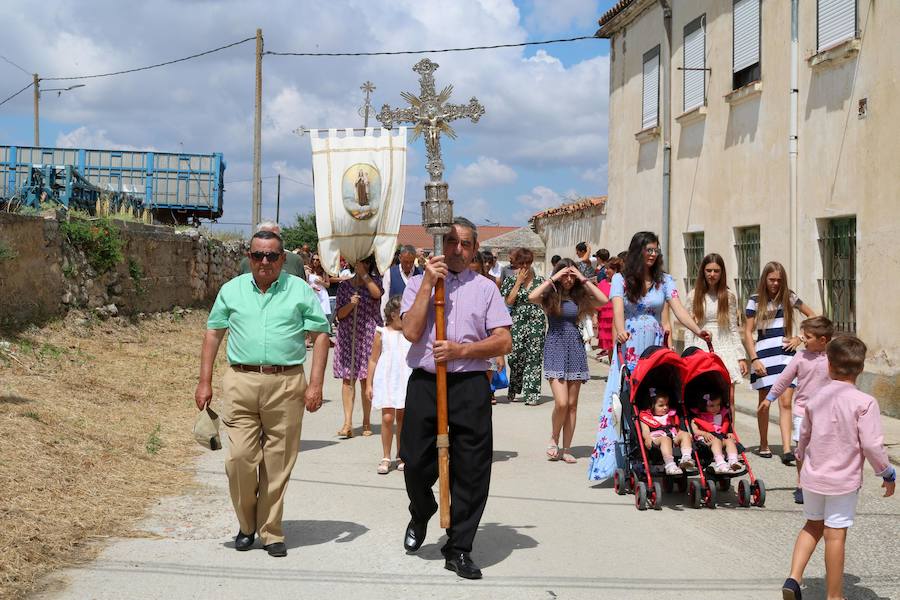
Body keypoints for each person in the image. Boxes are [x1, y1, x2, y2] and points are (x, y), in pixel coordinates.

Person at [194, 230, 331, 558]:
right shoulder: (232, 290)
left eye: (272, 255)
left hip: (286, 384)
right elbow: (213, 333)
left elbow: (321, 334)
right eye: (258, 255)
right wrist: (204, 381)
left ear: (283, 259)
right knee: (239, 459)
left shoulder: (298, 289)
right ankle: (246, 524)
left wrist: (315, 385)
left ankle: (271, 531)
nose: (264, 262)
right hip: (241, 381)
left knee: (277, 461)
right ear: (249, 258)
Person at [399, 217, 512, 580]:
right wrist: (429, 283)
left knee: (472, 469)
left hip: (469, 386)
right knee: (414, 461)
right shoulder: (417, 283)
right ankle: (422, 508)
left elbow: (503, 341)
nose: (457, 249)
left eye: (465, 244)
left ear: (475, 249)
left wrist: (463, 350)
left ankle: (459, 547)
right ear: (438, 245)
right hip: (426, 383)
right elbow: (412, 331)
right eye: (450, 242)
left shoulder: (486, 289)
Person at [588, 231, 710, 481]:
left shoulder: (665, 281)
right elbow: (618, 308)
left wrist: (699, 331)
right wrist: (620, 331)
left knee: (655, 394)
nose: (653, 255)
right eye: (649, 250)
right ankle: (622, 458)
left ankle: (658, 452)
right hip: (630, 343)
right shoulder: (621, 279)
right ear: (637, 251)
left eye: (656, 250)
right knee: (626, 396)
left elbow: (679, 310)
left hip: (655, 344)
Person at [781, 335, 895, 600]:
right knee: (835, 535)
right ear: (861, 368)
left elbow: (805, 435)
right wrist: (886, 472)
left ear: (828, 365)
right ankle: (835, 596)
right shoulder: (865, 402)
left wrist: (800, 456)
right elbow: (871, 444)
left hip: (812, 475)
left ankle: (794, 578)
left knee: (812, 526)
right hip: (842, 482)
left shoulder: (815, 397)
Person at [529, 259, 608, 463]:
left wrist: (583, 279)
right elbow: (532, 296)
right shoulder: (550, 296)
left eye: (572, 275)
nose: (569, 279)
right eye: (566, 275)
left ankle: (566, 449)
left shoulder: (580, 297)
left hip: (575, 349)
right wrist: (553, 278)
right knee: (561, 403)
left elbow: (603, 300)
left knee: (572, 404)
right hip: (555, 347)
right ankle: (553, 439)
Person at [742, 261, 816, 462]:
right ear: (765, 279)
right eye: (772, 279)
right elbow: (747, 332)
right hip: (763, 355)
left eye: (779, 280)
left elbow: (812, 315)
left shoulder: (789, 297)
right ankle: (764, 443)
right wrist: (754, 359)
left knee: (785, 401)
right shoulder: (754, 300)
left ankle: (786, 449)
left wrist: (799, 338)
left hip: (785, 354)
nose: (775, 283)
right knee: (765, 401)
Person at [765, 316, 834, 504]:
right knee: (802, 449)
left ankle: (821, 484)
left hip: (827, 413)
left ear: (822, 340)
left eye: (807, 337)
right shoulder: (800, 356)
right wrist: (770, 397)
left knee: (822, 450)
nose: (803, 339)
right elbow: (784, 379)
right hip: (803, 411)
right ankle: (802, 484)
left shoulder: (833, 359)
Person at [333, 255, 384, 438]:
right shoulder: (345, 286)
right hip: (349, 335)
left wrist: (364, 276)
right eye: (361, 263)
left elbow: (377, 294)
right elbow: (339, 314)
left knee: (365, 379)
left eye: (367, 263)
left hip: (369, 335)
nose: (365, 265)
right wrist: (350, 304)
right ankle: (347, 422)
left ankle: (366, 420)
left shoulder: (375, 281)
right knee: (348, 379)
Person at [685, 253, 747, 387]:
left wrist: (740, 356)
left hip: (725, 346)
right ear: (703, 272)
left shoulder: (728, 296)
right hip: (702, 346)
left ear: (721, 273)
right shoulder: (693, 296)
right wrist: (687, 354)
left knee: (729, 395)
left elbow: (733, 328)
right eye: (708, 270)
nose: (712, 274)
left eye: (716, 271)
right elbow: (689, 328)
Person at [367, 296, 411, 475]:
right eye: (403, 314)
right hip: (386, 378)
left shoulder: (409, 333)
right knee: (387, 417)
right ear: (394, 314)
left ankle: (401, 455)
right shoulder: (382, 332)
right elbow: (373, 359)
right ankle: (386, 456)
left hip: (404, 377)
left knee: (402, 417)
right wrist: (368, 384)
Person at [500, 248, 546, 405]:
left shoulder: (541, 282)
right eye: (521, 263)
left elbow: (547, 302)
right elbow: (509, 302)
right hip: (518, 321)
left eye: (528, 262)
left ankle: (532, 394)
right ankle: (515, 387)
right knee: (515, 356)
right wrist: (518, 282)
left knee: (534, 357)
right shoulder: (510, 281)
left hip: (536, 321)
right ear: (517, 264)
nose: (525, 266)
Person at [638, 388, 696, 475]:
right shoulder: (646, 417)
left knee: (685, 434)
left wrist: (686, 435)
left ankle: (686, 457)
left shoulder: (670, 415)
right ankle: (670, 465)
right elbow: (645, 432)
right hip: (656, 440)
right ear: (651, 406)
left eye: (667, 404)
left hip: (672, 438)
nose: (665, 408)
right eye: (661, 405)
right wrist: (647, 439)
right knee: (665, 439)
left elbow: (676, 430)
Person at [689, 392, 743, 474]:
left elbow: (725, 428)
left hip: (720, 437)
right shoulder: (698, 417)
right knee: (716, 441)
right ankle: (720, 463)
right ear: (704, 406)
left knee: (730, 441)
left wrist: (729, 433)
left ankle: (733, 460)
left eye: (718, 405)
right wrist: (704, 434)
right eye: (712, 406)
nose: (716, 408)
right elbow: (695, 430)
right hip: (706, 441)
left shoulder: (721, 416)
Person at [239, 221, 306, 281]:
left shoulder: (295, 261)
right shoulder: (246, 263)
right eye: (264, 236)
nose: (265, 262)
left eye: (273, 236)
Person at [381, 245, 422, 315]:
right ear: (400, 258)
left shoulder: (421, 274)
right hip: (395, 320)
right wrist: (385, 320)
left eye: (411, 262)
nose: (408, 265)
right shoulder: (389, 273)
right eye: (406, 262)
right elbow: (385, 299)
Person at [595, 256, 622, 360]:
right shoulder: (602, 283)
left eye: (608, 268)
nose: (605, 271)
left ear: (615, 269)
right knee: (610, 348)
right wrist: (594, 318)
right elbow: (597, 302)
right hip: (605, 320)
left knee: (618, 346)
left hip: (617, 318)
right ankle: (613, 370)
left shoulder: (622, 283)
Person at [306, 253, 332, 328]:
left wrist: (321, 282)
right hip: (312, 294)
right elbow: (305, 283)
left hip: (321, 294)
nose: (315, 261)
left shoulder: (323, 271)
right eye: (313, 259)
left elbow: (328, 285)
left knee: (323, 315)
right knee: (313, 314)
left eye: (317, 260)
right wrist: (311, 286)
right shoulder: (308, 270)